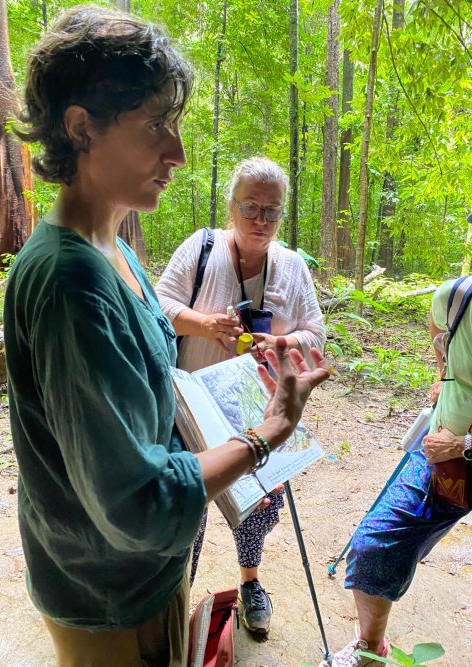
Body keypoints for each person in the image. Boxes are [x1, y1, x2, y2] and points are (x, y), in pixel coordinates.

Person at [4, 7, 330, 667]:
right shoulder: (71, 282)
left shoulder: (112, 249)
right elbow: (140, 505)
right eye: (157, 124)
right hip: (109, 597)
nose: (178, 153)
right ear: (81, 127)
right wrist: (267, 432)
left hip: (139, 576)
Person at [156, 156, 326, 635]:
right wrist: (203, 324)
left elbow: (316, 332)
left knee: (256, 508)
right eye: (250, 206)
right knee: (188, 505)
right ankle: (177, 595)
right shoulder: (202, 248)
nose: (260, 220)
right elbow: (158, 305)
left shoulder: (292, 266)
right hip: (190, 411)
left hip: (258, 410)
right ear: (231, 206)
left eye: (272, 210)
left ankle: (250, 581)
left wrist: (283, 343)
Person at [321, 278, 472, 667]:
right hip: (445, 465)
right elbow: (440, 324)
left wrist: (464, 444)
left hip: (456, 452)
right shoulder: (457, 296)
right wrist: (445, 373)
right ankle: (372, 647)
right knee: (373, 545)